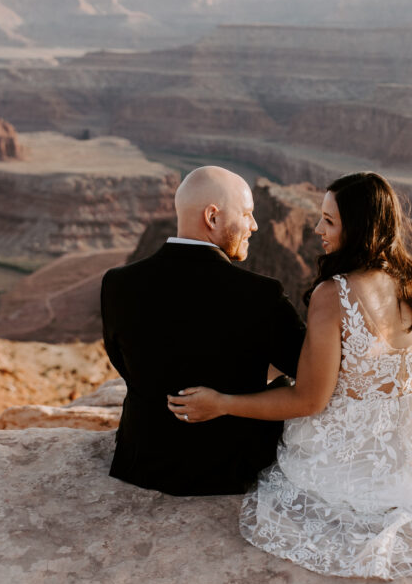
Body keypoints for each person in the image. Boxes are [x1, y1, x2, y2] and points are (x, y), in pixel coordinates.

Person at [167, 172, 412, 579]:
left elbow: (310, 400)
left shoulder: (335, 295)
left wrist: (221, 403)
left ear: (359, 227)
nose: (317, 229)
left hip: (354, 449)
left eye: (328, 221)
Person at [101, 166, 305, 496]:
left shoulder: (116, 283)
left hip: (141, 462)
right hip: (228, 470)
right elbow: (309, 373)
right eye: (247, 214)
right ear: (213, 217)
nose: (253, 226)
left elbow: (122, 362)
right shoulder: (260, 294)